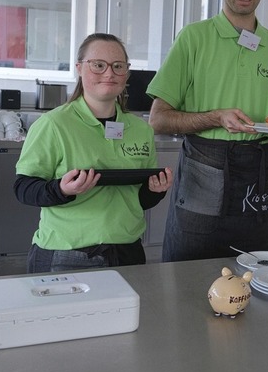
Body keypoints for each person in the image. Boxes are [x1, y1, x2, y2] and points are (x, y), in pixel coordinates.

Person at [147, 0, 268, 262]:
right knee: (185, 280)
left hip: (257, 180)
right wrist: (215, 117)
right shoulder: (194, 38)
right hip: (203, 170)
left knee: (251, 277)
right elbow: (159, 118)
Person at [14, 33, 173, 273]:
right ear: (79, 68)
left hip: (127, 253)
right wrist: (61, 190)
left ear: (127, 73)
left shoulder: (140, 130)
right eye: (98, 65)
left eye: (118, 66)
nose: (109, 73)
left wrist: (155, 191)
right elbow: (23, 188)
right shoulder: (53, 125)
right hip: (66, 255)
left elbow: (138, 201)